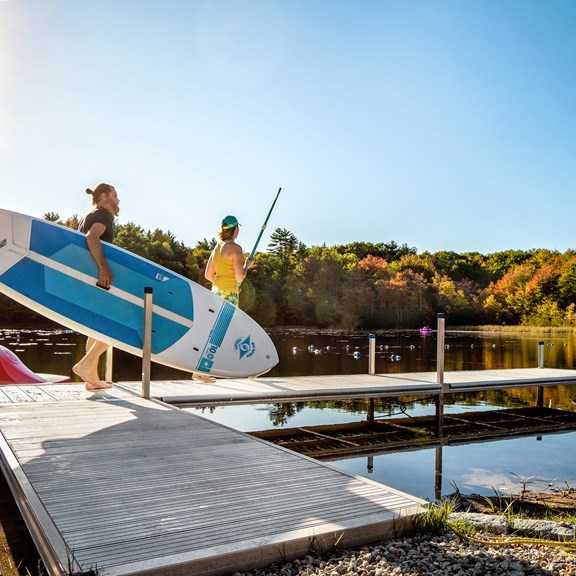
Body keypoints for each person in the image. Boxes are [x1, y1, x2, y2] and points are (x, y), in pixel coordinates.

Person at [72, 183, 120, 391]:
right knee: (116, 326)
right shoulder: (104, 214)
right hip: (98, 277)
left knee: (95, 327)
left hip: (86, 278)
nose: (118, 200)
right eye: (115, 195)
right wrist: (103, 268)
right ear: (104, 196)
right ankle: (85, 365)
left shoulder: (88, 215)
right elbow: (92, 238)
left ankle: (92, 377)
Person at [205, 215, 253, 307]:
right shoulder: (236, 248)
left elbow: (208, 275)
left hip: (215, 293)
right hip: (229, 294)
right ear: (236, 229)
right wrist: (247, 265)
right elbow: (240, 276)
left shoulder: (216, 248)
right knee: (230, 321)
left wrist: (224, 286)